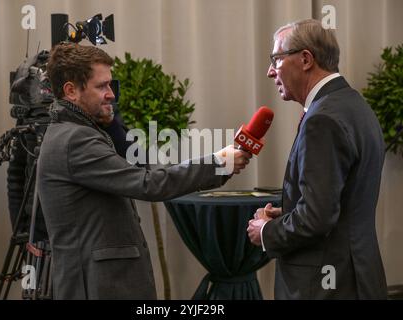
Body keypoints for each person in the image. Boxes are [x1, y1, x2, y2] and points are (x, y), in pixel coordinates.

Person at [36, 42, 251, 299]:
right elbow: (148, 183)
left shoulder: (77, 130)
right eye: (101, 86)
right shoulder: (76, 140)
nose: (111, 94)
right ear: (71, 91)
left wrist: (111, 122)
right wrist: (219, 162)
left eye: (110, 85)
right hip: (96, 287)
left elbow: (139, 165)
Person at [247, 19, 387, 299]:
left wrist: (267, 232)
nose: (269, 72)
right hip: (357, 276)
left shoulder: (321, 120)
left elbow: (316, 219)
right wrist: (289, 212)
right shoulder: (355, 105)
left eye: (276, 59)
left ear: (306, 59)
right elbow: (336, 202)